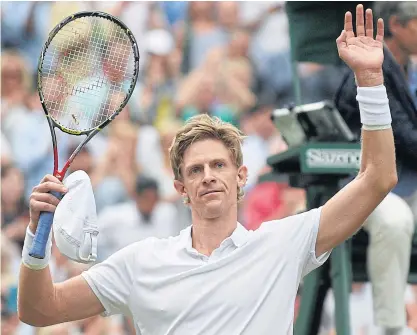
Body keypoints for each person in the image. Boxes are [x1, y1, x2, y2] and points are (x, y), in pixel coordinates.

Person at [18, 5, 397, 334]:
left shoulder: (283, 243)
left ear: (241, 177)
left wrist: (370, 81)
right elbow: (39, 309)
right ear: (181, 189)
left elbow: (378, 177)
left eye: (219, 165)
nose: (208, 175)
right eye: (195, 170)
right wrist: (36, 238)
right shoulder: (142, 262)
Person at [335, 2, 417, 334]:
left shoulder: (411, 70)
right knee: (394, 221)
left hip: (409, 184)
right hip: (366, 186)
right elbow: (407, 139)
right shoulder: (362, 68)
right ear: (396, 25)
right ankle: (391, 326)